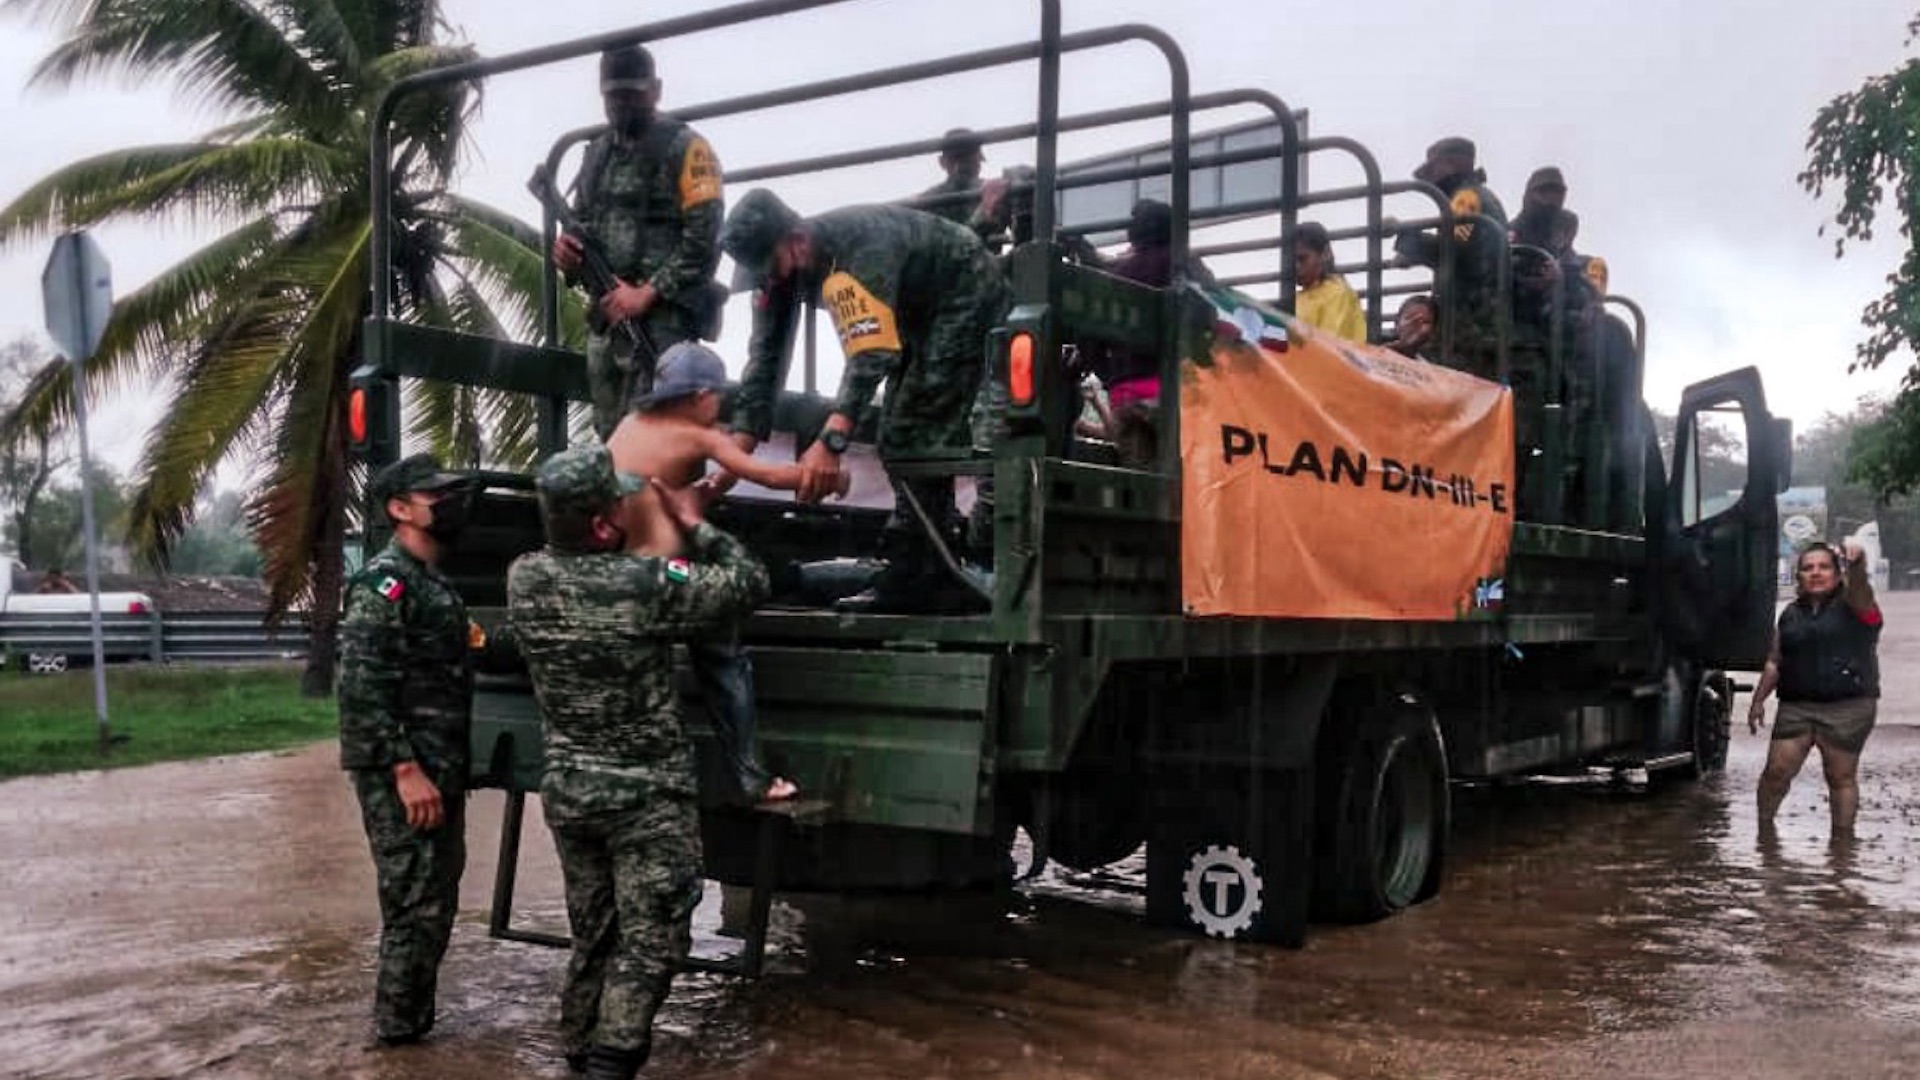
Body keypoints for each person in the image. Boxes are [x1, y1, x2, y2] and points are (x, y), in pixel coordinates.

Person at [507, 444, 769, 1080]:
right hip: (644, 799)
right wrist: (692, 521)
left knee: (594, 932)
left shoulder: (524, 578)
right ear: (602, 524)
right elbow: (748, 585)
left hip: (571, 794)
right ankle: (609, 1063)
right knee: (655, 941)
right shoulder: (644, 584)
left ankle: (576, 1048)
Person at [718, 187, 1005, 613]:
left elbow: (872, 351)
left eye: (772, 266)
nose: (771, 279)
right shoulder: (780, 270)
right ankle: (924, 569)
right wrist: (732, 458)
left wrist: (831, 443)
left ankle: (922, 573)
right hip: (912, 315)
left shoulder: (858, 249)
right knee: (901, 432)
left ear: (797, 239)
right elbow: (763, 362)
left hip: (962, 293)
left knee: (913, 428)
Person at [605, 341, 815, 803]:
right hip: (672, 577)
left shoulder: (628, 426)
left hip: (626, 574)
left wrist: (703, 490)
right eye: (717, 396)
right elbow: (767, 475)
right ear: (699, 395)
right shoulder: (696, 436)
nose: (720, 405)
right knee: (724, 657)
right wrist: (822, 476)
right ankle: (753, 778)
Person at [337, 453, 475, 1048]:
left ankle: (410, 1031)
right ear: (399, 508)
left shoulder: (431, 582)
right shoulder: (382, 583)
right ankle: (394, 1040)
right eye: (433, 495)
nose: (446, 503)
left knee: (435, 902)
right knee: (414, 907)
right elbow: (361, 686)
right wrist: (403, 768)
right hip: (405, 771)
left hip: (436, 766)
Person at [555, 44, 726, 440]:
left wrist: (647, 293)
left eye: (631, 94)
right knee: (610, 436)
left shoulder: (686, 148)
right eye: (613, 96)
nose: (622, 104)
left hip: (662, 321)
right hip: (609, 315)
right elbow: (582, 226)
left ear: (655, 90)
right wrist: (568, 255)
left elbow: (705, 239)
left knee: (656, 435)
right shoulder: (597, 153)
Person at [1748, 540, 1885, 840]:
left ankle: (1842, 846)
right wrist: (1758, 701)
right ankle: (1763, 835)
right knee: (1775, 773)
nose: (1816, 573)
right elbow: (1774, 661)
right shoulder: (1790, 615)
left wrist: (1858, 566)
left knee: (1840, 777)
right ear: (1798, 577)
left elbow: (1862, 590)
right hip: (1797, 707)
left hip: (1848, 708)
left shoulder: (1856, 606)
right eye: (1807, 568)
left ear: (1838, 574)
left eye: (1824, 567)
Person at [1394, 136, 1509, 379]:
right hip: (1480, 319)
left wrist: (1408, 240)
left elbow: (1458, 251)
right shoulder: (1478, 196)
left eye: (1435, 168)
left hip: (1469, 322)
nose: (1433, 177)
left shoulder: (1465, 198)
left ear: (1452, 164)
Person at [1292, 221, 1367, 344]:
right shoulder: (1300, 297)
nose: (1296, 266)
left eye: (1302, 259)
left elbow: (1329, 346)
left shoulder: (1337, 293)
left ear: (1325, 254)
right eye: (1291, 260)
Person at [917, 127, 986, 226]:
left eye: (970, 160)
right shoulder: (927, 201)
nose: (963, 166)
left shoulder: (993, 191)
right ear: (943, 162)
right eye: (958, 159)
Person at [1384, 294, 1439, 361]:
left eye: (1425, 322)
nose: (1415, 326)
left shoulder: (1427, 365)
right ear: (1396, 322)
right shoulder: (1378, 354)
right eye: (1409, 318)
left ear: (1433, 330)